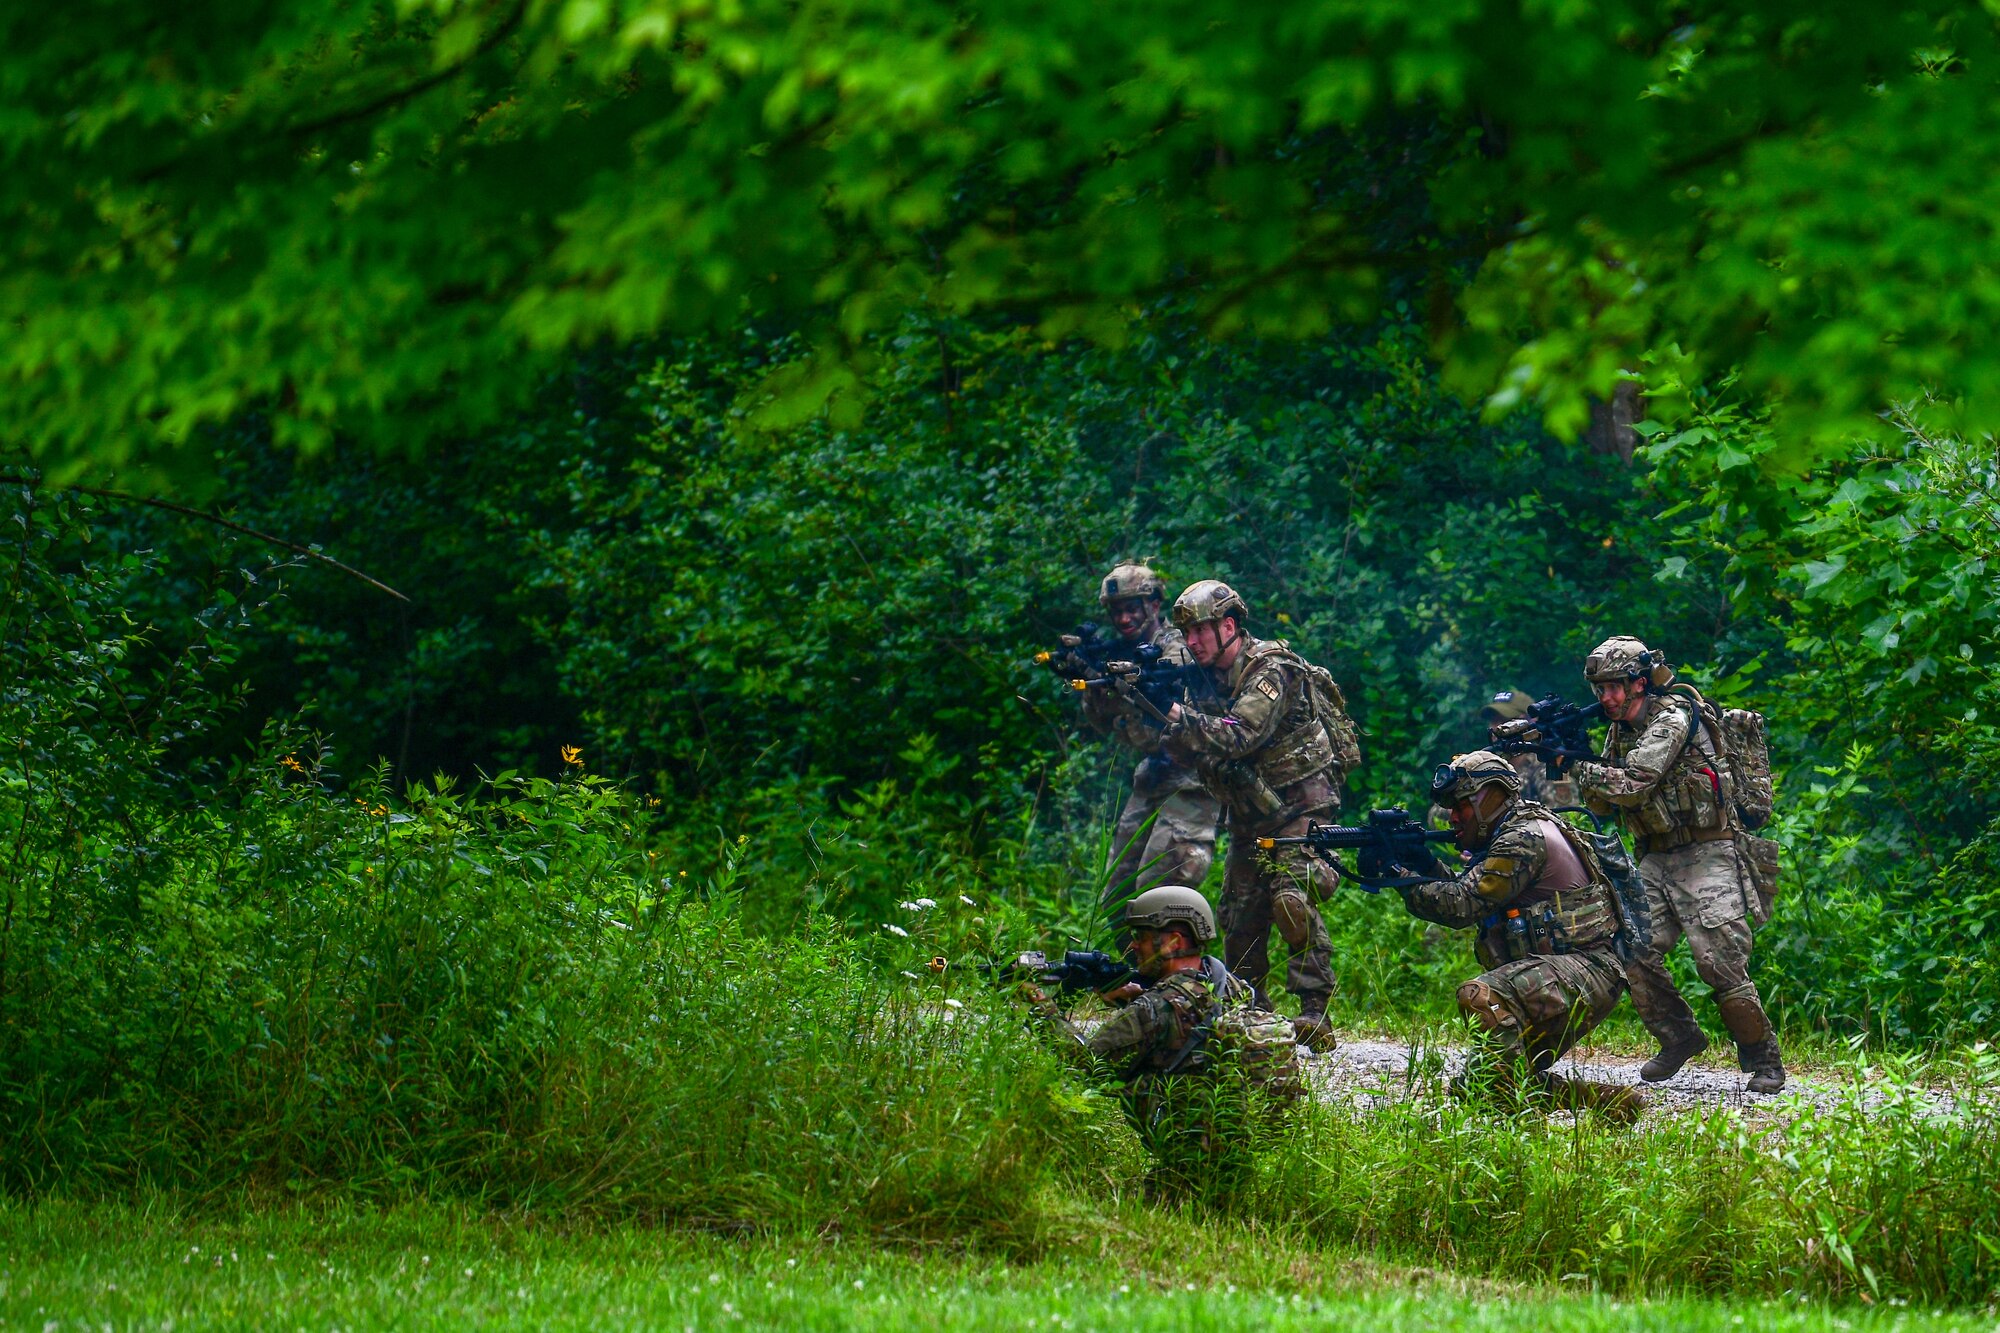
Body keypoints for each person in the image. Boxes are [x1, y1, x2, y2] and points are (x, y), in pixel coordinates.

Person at [1571, 636, 1786, 1093]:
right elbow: (1605, 807)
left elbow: (1632, 786)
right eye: (1599, 688)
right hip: (1655, 854)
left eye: (1615, 686)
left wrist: (1578, 766)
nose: (1606, 697)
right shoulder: (1621, 730)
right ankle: (1679, 1037)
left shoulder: (1672, 716)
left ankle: (1762, 1058)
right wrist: (1581, 766)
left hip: (1708, 851)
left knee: (1719, 961)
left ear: (1640, 682)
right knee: (1632, 948)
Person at [1157, 579, 1356, 1051]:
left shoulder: (1271, 669)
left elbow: (1239, 735)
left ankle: (1314, 1012)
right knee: (1239, 912)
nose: (1192, 642)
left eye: (1200, 632)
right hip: (1249, 812)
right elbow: (1178, 748)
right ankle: (1249, 1010)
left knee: (1291, 897)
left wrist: (1176, 716)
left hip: (1301, 804)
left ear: (1228, 626)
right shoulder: (1201, 678)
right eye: (1186, 634)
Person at [1391, 750, 1643, 1123]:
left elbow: (1462, 905)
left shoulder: (1521, 838)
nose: (1454, 818)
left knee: (1481, 997)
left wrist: (1401, 877)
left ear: (1490, 798)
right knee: (1479, 1085)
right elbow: (1469, 889)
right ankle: (1604, 1102)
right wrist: (1423, 866)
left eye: (1461, 806)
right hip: (1574, 975)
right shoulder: (1517, 828)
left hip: (1585, 971)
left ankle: (1521, 1132)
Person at [1015, 885, 1299, 1198]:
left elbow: (1088, 1065)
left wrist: (1042, 1009)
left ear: (1174, 941)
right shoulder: (1227, 984)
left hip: (1187, 1166)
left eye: (1142, 935)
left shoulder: (1153, 1008)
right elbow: (1186, 1026)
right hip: (1242, 1155)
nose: (1133, 946)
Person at [1075, 563, 1223, 930]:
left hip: (1192, 778)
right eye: (1116, 610)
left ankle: (1176, 982)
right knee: (1117, 897)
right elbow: (1103, 723)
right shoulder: (1118, 652)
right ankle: (1133, 981)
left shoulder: (1178, 648)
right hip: (1154, 775)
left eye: (1133, 607)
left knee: (1159, 894)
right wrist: (1095, 681)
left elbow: (1175, 705)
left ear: (1154, 605)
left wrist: (1130, 681)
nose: (1124, 617)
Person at [1482, 688, 1575, 808]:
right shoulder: (1487, 768)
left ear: (1530, 722)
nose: (1496, 728)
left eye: (1505, 721)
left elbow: (1565, 820)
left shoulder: (1549, 766)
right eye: (1494, 720)